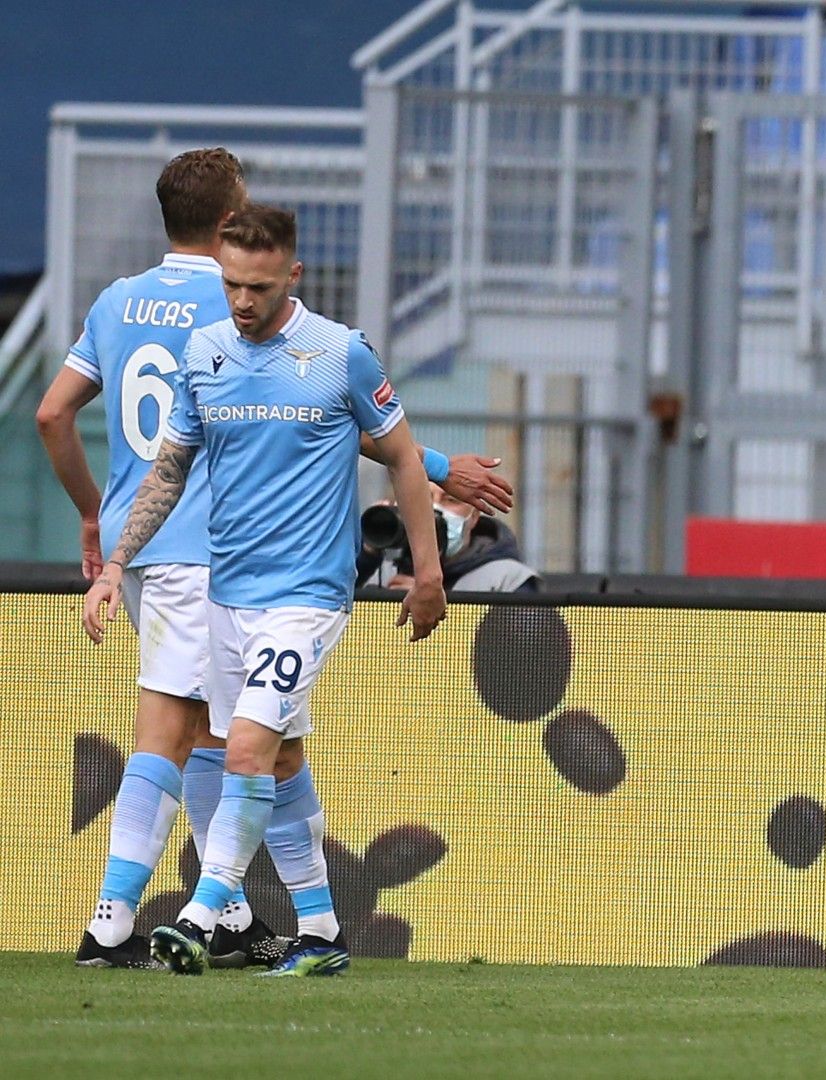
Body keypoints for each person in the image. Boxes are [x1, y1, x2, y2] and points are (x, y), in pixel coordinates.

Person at [37, 149, 508, 970]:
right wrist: (438, 467)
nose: (245, 298)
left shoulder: (124, 303)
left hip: (248, 574)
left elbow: (53, 414)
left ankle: (202, 910)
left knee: (226, 739)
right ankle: (296, 930)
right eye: (236, 281)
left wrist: (98, 525)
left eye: (259, 285)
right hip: (211, 562)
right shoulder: (210, 339)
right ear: (225, 231)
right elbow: (206, 450)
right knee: (243, 744)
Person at [361, 485, 539, 592]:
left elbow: (523, 651)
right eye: (422, 497)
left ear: (474, 516)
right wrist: (367, 553)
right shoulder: (381, 571)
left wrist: (432, 608)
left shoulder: (507, 579)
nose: (433, 509)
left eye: (451, 500)